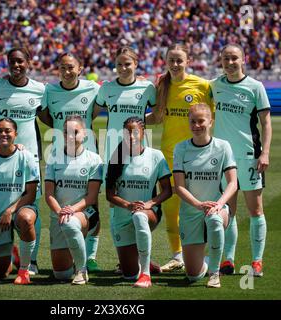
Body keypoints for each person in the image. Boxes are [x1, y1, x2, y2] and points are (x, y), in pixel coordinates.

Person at [0, 47, 51, 276]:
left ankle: (31, 261)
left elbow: (47, 117)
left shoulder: (40, 90)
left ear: (28, 62)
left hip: (29, 158)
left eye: (21, 61)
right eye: (12, 61)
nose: (17, 65)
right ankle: (1, 257)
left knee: (30, 210)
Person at [148, 44, 213, 273]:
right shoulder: (161, 85)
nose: (175, 65)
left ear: (188, 61)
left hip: (197, 157)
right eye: (171, 60)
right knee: (172, 209)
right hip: (168, 156)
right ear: (166, 62)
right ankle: (178, 256)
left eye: (179, 60)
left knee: (199, 207)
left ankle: (202, 257)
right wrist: (132, 120)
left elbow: (211, 117)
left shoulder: (202, 85)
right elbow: (157, 117)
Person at [94, 46, 158, 273]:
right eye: (119, 64)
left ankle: (144, 256)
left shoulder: (147, 87)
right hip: (113, 151)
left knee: (141, 204)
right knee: (115, 204)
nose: (123, 68)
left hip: (141, 153)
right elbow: (91, 113)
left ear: (136, 64)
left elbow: (158, 115)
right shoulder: (107, 89)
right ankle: (127, 259)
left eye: (127, 64)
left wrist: (139, 125)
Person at [211, 44, 272, 277]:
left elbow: (266, 123)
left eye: (234, 58)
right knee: (228, 209)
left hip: (248, 156)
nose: (230, 62)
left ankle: (257, 261)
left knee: (256, 210)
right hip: (223, 159)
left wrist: (264, 152)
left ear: (243, 59)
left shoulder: (255, 87)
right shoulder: (215, 85)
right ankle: (228, 259)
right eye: (226, 58)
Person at [40, 52, 102, 273]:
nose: (67, 72)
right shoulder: (49, 90)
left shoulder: (93, 88)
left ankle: (91, 255)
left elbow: (98, 109)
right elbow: (45, 116)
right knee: (60, 196)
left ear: (80, 69)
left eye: (71, 67)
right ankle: (67, 242)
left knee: (91, 204)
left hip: (87, 153)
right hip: (60, 152)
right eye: (63, 68)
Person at [173, 103, 238, 288]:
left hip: (217, 207)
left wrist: (219, 204)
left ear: (211, 121)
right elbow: (179, 186)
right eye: (192, 122)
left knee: (214, 220)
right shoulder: (181, 148)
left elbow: (233, 183)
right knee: (193, 275)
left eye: (201, 121)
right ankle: (207, 261)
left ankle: (215, 273)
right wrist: (198, 204)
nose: (196, 125)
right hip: (191, 210)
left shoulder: (223, 146)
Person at [106, 117, 172, 288]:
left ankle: (146, 275)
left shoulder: (156, 156)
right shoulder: (116, 157)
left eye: (135, 131)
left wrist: (150, 203)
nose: (132, 135)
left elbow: (167, 190)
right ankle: (144, 262)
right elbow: (109, 195)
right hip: (122, 216)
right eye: (127, 131)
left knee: (139, 217)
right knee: (128, 274)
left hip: (148, 213)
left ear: (143, 132)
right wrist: (128, 205)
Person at [0, 118, 40, 284]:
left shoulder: (26, 157)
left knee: (25, 219)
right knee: (0, 274)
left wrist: (10, 211)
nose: (3, 134)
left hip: (20, 209)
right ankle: (13, 254)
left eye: (8, 131)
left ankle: (24, 269)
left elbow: (30, 195)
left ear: (16, 134)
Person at [45, 115, 103, 285]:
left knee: (70, 223)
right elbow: (49, 194)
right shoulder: (54, 156)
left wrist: (71, 210)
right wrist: (60, 211)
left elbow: (92, 197)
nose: (70, 136)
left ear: (84, 134)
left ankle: (82, 270)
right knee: (61, 275)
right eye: (66, 132)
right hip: (60, 214)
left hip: (85, 212)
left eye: (75, 132)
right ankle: (75, 248)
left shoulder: (94, 159)